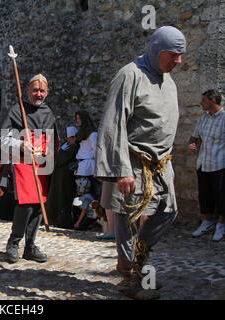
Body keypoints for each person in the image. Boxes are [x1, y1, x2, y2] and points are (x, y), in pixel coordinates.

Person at [95, 26, 186, 300]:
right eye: (173, 55)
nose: (179, 61)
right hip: (134, 164)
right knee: (128, 221)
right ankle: (130, 277)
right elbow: (113, 124)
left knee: (167, 212)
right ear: (158, 50)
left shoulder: (167, 80)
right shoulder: (130, 75)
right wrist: (121, 169)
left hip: (161, 165)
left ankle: (136, 262)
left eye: (181, 55)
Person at [0, 73, 58, 264]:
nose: (38, 94)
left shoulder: (49, 113)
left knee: (38, 206)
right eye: (35, 90)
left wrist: (50, 153)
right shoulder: (17, 111)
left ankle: (30, 246)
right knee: (25, 204)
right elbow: (2, 140)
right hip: (23, 162)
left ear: (47, 92)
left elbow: (55, 141)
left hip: (43, 165)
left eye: (42, 91)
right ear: (27, 90)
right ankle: (13, 243)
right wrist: (20, 145)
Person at [189, 89, 224, 241]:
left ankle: (222, 225)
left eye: (203, 100)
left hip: (220, 164)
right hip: (203, 163)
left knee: (222, 196)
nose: (201, 103)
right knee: (204, 195)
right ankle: (206, 222)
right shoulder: (203, 119)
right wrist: (192, 144)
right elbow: (194, 136)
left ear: (213, 101)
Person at [45, 126, 79, 227]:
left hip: (66, 175)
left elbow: (60, 158)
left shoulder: (74, 147)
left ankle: (62, 220)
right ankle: (52, 217)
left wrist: (56, 156)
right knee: (55, 194)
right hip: (57, 174)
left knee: (64, 195)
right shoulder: (65, 144)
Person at [74, 110, 100, 199]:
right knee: (81, 195)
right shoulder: (82, 132)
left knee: (90, 194)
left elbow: (95, 151)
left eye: (79, 118)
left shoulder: (92, 134)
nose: (77, 120)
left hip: (89, 167)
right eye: (76, 118)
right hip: (82, 166)